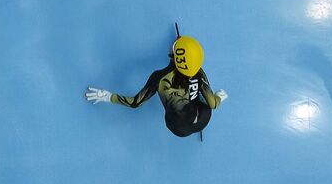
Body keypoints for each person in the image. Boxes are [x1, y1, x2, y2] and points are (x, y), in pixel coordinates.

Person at [84, 35, 228, 138]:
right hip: (202, 121)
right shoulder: (199, 72)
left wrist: (109, 97)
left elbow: (136, 102)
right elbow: (213, 104)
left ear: (173, 55)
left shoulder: (159, 78)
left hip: (177, 129)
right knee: (202, 97)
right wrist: (219, 97)